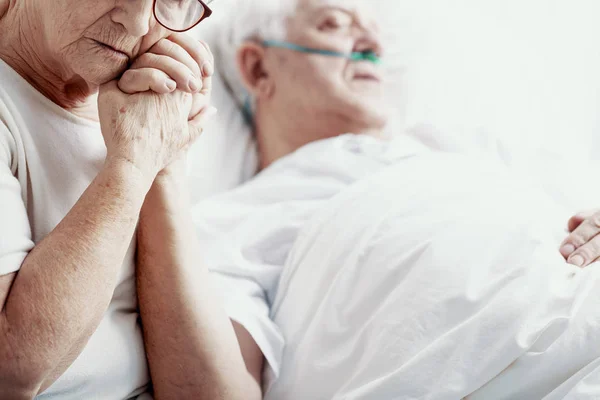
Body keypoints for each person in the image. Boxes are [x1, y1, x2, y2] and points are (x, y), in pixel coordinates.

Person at [192, 0, 600, 397]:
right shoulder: (235, 220)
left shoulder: (466, 147)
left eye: (374, 29)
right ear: (259, 67)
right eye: (335, 23)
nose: (373, 42)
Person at [0, 0, 261, 399]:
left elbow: (214, 394)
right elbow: (12, 370)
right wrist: (133, 164)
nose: (138, 23)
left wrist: (164, 157)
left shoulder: (139, 103)